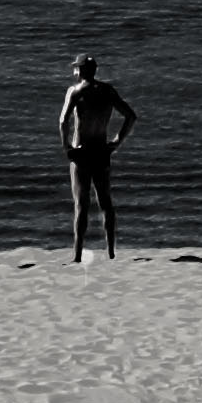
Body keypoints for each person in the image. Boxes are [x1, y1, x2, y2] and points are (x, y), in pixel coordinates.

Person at [57, 57, 136, 261]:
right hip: (101, 151)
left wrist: (67, 146)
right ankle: (110, 251)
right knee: (106, 203)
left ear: (81, 71)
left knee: (81, 204)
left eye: (76, 68)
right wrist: (116, 142)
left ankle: (77, 255)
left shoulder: (75, 92)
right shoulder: (107, 91)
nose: (74, 71)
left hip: (82, 153)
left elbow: (63, 121)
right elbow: (130, 116)